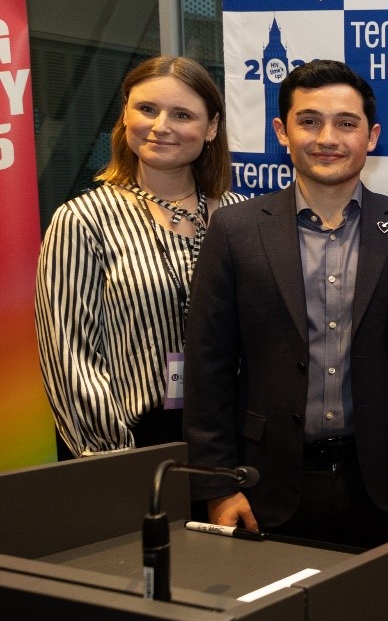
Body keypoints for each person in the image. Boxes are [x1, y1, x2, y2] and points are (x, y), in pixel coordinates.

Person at [183, 59, 388, 549]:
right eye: (309, 121)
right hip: (261, 488)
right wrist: (216, 485)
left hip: (385, 490)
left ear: (372, 135)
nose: (327, 138)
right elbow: (207, 368)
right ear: (282, 131)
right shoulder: (235, 231)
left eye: (346, 123)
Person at [35, 56, 243, 458]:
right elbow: (70, 359)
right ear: (125, 115)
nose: (161, 126)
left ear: (211, 127)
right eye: (147, 109)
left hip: (232, 438)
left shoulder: (240, 216)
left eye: (182, 114)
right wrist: (116, 461)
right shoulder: (81, 220)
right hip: (133, 442)